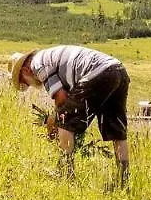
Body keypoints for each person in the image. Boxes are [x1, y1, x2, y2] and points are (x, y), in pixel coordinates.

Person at [8, 45, 130, 189]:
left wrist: (53, 122)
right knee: (116, 131)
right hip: (117, 70)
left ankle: (66, 174)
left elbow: (61, 98)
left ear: (25, 70)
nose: (28, 85)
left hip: (97, 73)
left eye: (24, 81)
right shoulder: (49, 56)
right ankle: (123, 181)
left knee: (64, 121)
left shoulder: (37, 64)